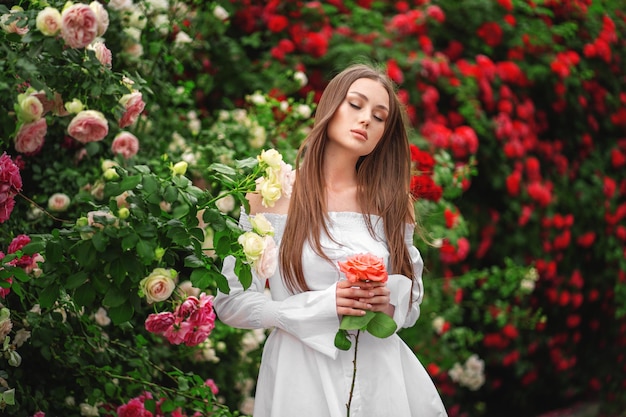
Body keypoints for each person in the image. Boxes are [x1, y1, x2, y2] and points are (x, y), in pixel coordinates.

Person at [214, 63, 448, 417]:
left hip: (379, 377)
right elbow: (229, 302)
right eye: (356, 104)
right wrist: (315, 309)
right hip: (299, 374)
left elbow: (410, 306)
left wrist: (385, 301)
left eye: (380, 116)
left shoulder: (392, 204)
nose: (366, 119)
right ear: (331, 106)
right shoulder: (272, 194)